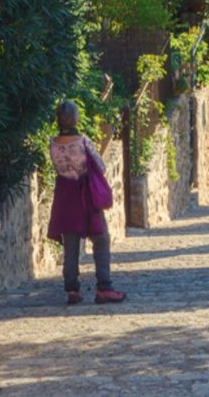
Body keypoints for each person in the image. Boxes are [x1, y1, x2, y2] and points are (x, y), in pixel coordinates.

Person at [47, 100, 125, 305]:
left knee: (71, 244)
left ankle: (72, 290)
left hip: (65, 196)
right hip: (86, 196)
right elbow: (101, 166)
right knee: (101, 240)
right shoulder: (83, 142)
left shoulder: (53, 144)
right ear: (75, 118)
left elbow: (58, 167)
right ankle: (104, 287)